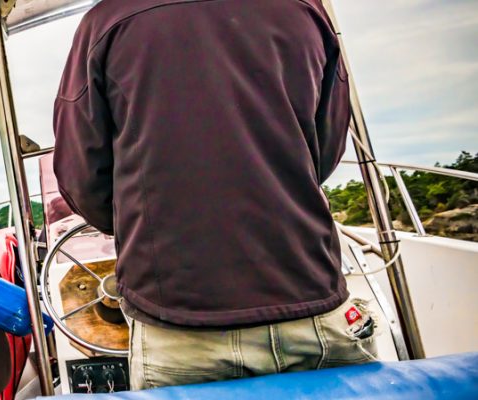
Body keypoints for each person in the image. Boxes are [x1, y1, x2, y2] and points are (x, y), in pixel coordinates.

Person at [52, 0, 377, 390]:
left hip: (179, 319)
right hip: (310, 293)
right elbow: (325, 150)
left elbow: (81, 175)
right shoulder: (306, 8)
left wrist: (144, 224)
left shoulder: (107, 21)